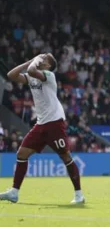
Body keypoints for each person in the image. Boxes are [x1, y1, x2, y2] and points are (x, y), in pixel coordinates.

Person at [0, 54, 85, 204]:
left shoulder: (48, 75)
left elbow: (32, 71)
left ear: (47, 66)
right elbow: (11, 75)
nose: (41, 59)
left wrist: (35, 60)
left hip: (55, 122)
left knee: (65, 157)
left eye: (44, 59)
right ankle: (14, 192)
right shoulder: (32, 76)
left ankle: (79, 195)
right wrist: (28, 61)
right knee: (21, 153)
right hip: (41, 124)